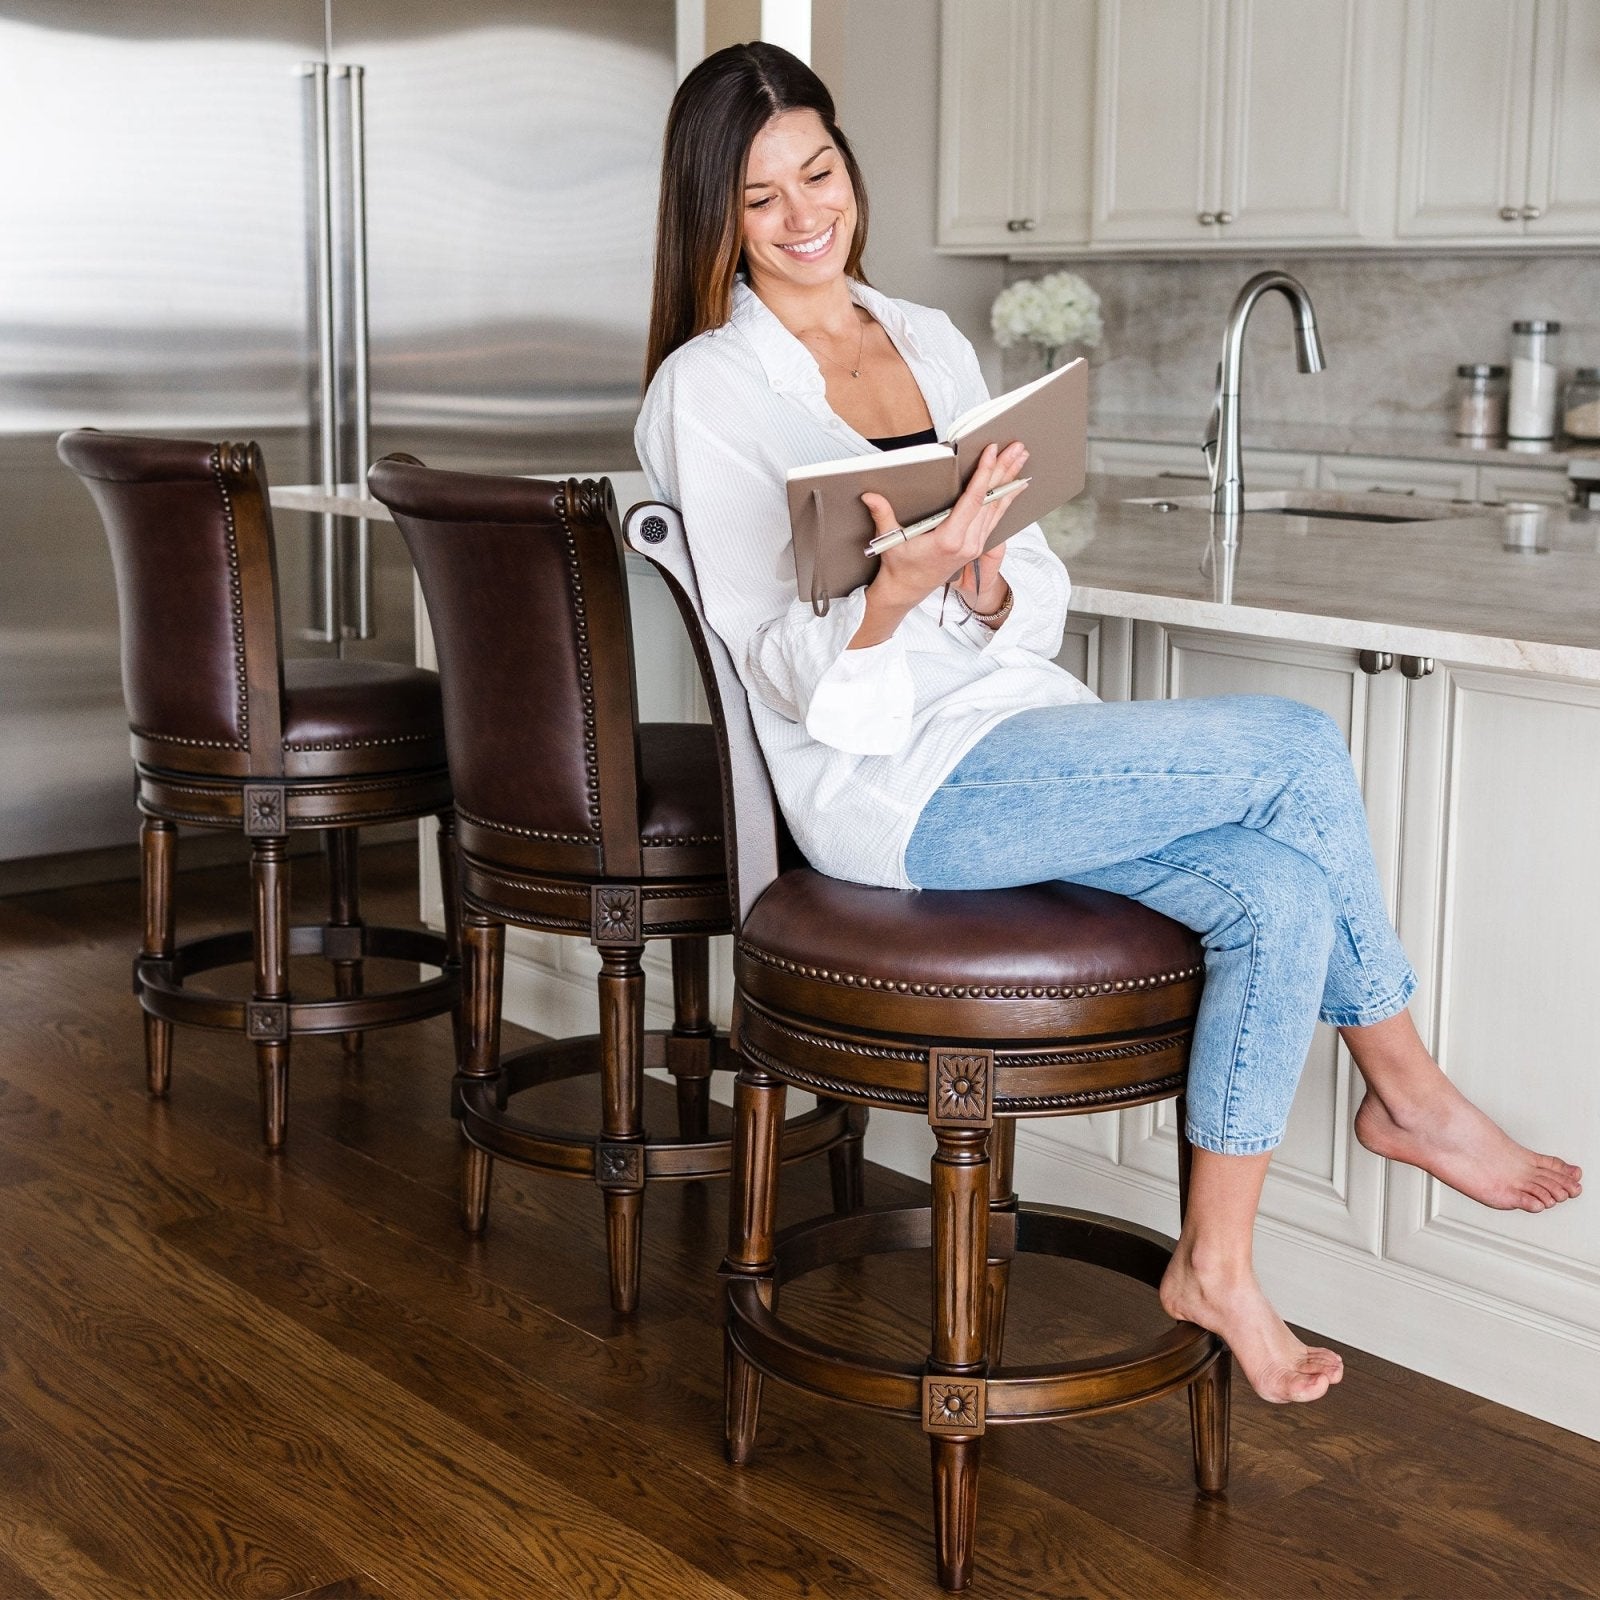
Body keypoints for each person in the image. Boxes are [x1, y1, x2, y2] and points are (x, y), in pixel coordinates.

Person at [634, 42, 1582, 1405]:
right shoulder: (708, 393)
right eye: (761, 196)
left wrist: (984, 573)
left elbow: (1036, 588)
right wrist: (888, 600)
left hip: (1019, 734)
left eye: (820, 173)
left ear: (849, 165)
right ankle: (1414, 1092)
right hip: (894, 786)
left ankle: (1218, 1263)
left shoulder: (933, 341)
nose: (802, 217)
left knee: (1272, 890)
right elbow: (787, 669)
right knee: (1297, 749)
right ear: (715, 214)